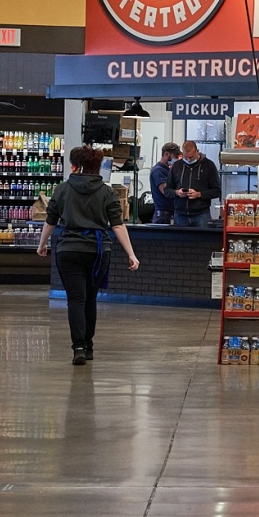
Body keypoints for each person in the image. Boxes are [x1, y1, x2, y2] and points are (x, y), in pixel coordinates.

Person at [37, 145, 140, 365]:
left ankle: (79, 347)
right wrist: (131, 254)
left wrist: (42, 244)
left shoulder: (62, 189)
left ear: (74, 165)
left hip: (69, 249)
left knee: (75, 299)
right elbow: (118, 225)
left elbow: (51, 220)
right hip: (98, 251)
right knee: (90, 299)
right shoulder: (107, 191)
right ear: (97, 166)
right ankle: (89, 345)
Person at [166, 140, 222, 227]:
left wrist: (199, 194)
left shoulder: (209, 166)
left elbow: (217, 191)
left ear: (197, 151)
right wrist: (177, 193)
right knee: (180, 240)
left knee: (203, 240)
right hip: (180, 215)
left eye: (191, 157)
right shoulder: (177, 166)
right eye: (185, 157)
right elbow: (167, 190)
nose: (188, 159)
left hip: (201, 214)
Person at [149, 142, 182, 224]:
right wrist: (178, 192)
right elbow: (165, 191)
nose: (176, 159)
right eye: (175, 156)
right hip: (163, 214)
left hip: (171, 211)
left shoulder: (168, 170)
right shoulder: (158, 170)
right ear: (166, 154)